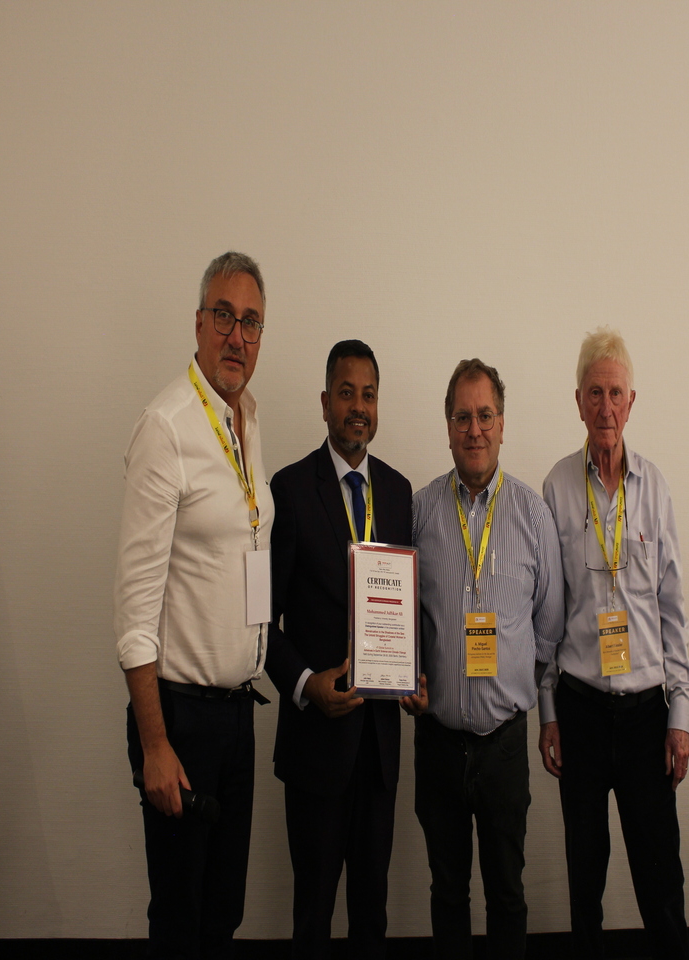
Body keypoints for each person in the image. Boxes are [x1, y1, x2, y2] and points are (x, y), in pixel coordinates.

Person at [115, 252, 274, 959]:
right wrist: (155, 745)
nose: (237, 336)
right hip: (180, 719)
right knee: (181, 921)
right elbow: (134, 612)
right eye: (224, 317)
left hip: (237, 713)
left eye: (251, 322)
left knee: (222, 914)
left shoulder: (248, 418)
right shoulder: (167, 426)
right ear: (200, 323)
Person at [538, 328, 689, 960]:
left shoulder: (655, 489)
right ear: (578, 401)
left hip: (644, 716)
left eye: (616, 394)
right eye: (595, 393)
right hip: (578, 709)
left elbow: (673, 610)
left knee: (660, 880)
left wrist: (680, 717)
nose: (606, 407)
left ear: (632, 402)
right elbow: (548, 613)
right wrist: (548, 711)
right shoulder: (554, 488)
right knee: (585, 880)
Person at [266, 339, 419, 960]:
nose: (359, 406)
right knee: (313, 916)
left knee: (371, 916)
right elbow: (261, 622)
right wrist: (305, 683)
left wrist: (417, 672)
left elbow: (408, 607)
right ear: (325, 402)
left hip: (379, 747)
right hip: (316, 748)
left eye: (369, 395)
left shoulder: (400, 492)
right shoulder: (289, 489)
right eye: (347, 393)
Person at [410, 359, 564, 960]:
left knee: (506, 893)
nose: (474, 429)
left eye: (485, 416)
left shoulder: (532, 514)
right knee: (447, 892)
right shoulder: (420, 511)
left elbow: (548, 628)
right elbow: (401, 614)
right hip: (438, 742)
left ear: (502, 424)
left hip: (503, 745)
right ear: (447, 427)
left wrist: (528, 691)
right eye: (462, 417)